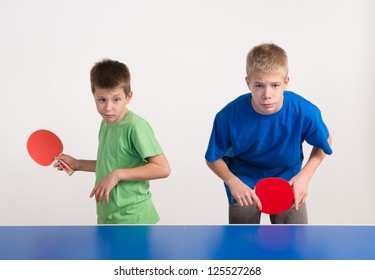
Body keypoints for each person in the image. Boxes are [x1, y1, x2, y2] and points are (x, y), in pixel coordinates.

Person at [205, 43, 332, 224]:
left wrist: (305, 176)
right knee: (243, 248)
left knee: (293, 247)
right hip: (244, 184)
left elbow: (324, 141)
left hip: (289, 184)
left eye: (275, 85)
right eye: (258, 85)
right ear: (248, 83)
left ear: (286, 82)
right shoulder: (227, 116)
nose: (267, 94)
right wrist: (232, 182)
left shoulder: (305, 111)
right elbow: (212, 157)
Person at [54, 58, 170, 224]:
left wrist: (117, 175)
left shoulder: (135, 126)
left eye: (116, 99)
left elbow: (163, 168)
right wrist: (77, 163)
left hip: (133, 220)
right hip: (108, 218)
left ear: (128, 96)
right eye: (101, 100)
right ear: (93, 96)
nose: (108, 108)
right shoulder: (106, 123)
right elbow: (110, 164)